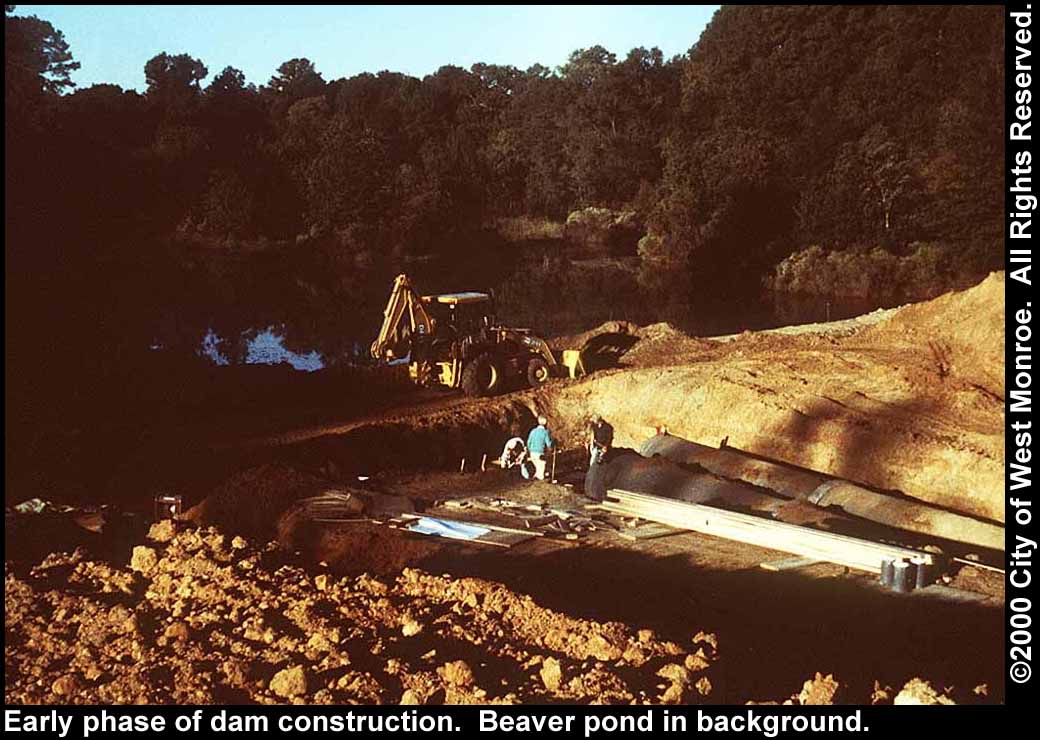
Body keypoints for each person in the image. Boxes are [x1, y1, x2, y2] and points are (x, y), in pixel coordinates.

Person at [525, 415, 555, 481]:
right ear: (545, 424)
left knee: (538, 467)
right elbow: (548, 444)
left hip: (532, 453)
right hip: (539, 453)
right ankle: (539, 480)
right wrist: (552, 443)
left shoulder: (533, 431)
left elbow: (528, 442)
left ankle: (535, 477)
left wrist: (529, 450)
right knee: (541, 466)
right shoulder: (545, 432)